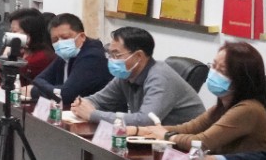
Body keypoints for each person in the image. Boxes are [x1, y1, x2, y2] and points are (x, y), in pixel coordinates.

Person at [135, 41, 266, 154]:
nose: (213, 73)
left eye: (222, 70)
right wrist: (139, 131)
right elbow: (187, 128)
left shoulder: (249, 109)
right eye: (213, 66)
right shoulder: (222, 107)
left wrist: (167, 135)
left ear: (241, 79)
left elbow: (201, 143)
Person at [74, 25, 204, 127]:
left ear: (138, 56)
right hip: (154, 139)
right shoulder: (126, 75)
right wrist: (82, 104)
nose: (112, 60)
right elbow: (98, 100)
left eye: (116, 55)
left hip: (185, 144)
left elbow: (145, 120)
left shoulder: (160, 77)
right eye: (110, 54)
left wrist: (93, 115)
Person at [31, 12, 111, 107]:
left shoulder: (92, 57)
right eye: (55, 40)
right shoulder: (65, 54)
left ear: (82, 37)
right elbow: (38, 80)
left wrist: (36, 90)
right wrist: (56, 90)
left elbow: (66, 95)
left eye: (65, 38)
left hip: (96, 112)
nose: (60, 43)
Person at [1, 9, 55, 85]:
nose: (11, 35)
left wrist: (6, 53)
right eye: (11, 31)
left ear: (30, 34)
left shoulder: (41, 57)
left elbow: (5, 73)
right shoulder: (24, 51)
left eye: (15, 32)